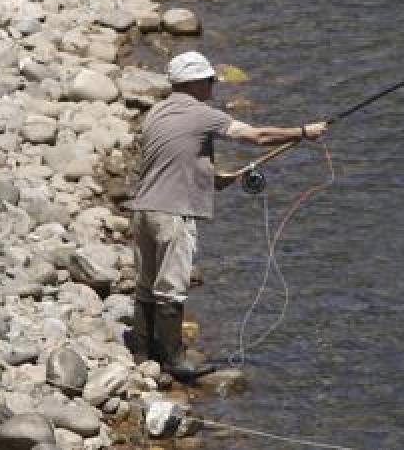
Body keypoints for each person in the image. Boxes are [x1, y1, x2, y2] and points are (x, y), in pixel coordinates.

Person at [124, 50, 327, 381]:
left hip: (143, 211)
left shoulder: (155, 113)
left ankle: (144, 352)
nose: (212, 88)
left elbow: (173, 161)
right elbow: (256, 136)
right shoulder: (203, 115)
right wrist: (303, 132)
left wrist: (218, 179)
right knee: (172, 287)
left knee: (147, 285)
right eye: (209, 82)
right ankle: (175, 360)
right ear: (196, 83)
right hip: (173, 213)